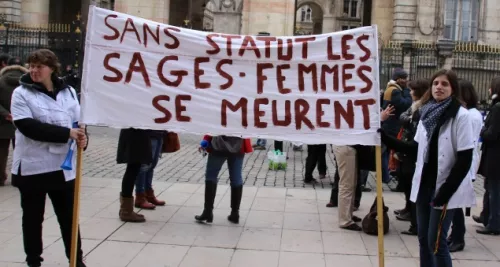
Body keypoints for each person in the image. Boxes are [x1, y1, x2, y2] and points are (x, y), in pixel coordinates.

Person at [381, 69, 475, 267]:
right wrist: (384, 137)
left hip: (444, 188)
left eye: (444, 84)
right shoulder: (425, 113)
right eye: (436, 83)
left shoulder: (461, 116)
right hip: (424, 185)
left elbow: (465, 159)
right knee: (423, 238)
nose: (439, 87)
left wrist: (445, 192)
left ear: (453, 88)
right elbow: (414, 149)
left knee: (436, 242)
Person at [10, 49, 88, 267]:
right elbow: (27, 126)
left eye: (39, 67)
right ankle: (34, 261)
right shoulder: (21, 93)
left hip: (63, 168)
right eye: (31, 66)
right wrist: (66, 134)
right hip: (33, 167)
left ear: (52, 69)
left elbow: (79, 121)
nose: (34, 71)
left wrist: (83, 138)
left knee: (69, 219)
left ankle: (76, 259)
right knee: (33, 219)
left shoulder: (69, 92)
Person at [447, 79, 483, 250]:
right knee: (454, 202)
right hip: (464, 160)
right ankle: (455, 234)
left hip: (466, 162)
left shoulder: (470, 115)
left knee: (456, 202)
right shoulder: (469, 113)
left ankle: (458, 237)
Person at [394, 78, 430, 236]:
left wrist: (408, 120)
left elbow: (412, 125)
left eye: (413, 90)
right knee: (407, 184)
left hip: (413, 152)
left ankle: (416, 223)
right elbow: (402, 117)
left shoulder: (423, 108)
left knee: (413, 186)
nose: (410, 92)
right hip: (406, 149)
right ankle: (409, 210)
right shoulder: (414, 106)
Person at [195, 135, 253, 224]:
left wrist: (206, 140)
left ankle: (208, 211)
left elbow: (213, 124)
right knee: (236, 178)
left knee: (211, 176)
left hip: (218, 145)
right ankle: (235, 213)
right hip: (238, 145)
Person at [116, 128, 157, 222]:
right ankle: (126, 211)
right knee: (132, 170)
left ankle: (126, 209)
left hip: (136, 134)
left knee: (133, 168)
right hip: (135, 135)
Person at [476, 76, 500, 236]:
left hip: (495, 156)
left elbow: (492, 133)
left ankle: (494, 224)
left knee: (494, 191)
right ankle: (486, 216)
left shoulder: (498, 107)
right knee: (489, 188)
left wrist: (482, 130)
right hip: (493, 155)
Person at [381, 68, 412, 183]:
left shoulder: (391, 88)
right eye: (404, 78)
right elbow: (405, 104)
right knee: (390, 152)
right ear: (399, 79)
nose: (406, 80)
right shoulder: (395, 91)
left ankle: (385, 176)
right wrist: (407, 92)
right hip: (393, 125)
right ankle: (386, 176)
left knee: (386, 152)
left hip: (389, 124)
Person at [0, 61, 28, 186]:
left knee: (1, 151)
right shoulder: (27, 84)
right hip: (22, 121)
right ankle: (20, 177)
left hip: (2, 122)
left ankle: (0, 177)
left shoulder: (1, 81)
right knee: (21, 150)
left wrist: (6, 113)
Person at [134, 130, 166, 209]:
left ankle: (148, 194)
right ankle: (140, 196)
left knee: (152, 166)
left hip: (159, 134)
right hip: (148, 134)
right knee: (144, 166)